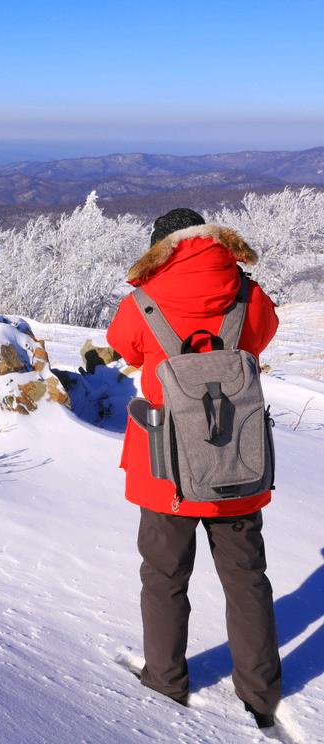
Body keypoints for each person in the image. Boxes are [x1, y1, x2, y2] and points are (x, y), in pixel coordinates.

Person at [107, 207, 282, 729]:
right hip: (237, 460)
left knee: (163, 576)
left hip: (165, 468)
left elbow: (124, 347)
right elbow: (260, 337)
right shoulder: (247, 294)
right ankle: (260, 690)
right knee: (247, 577)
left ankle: (165, 680)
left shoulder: (142, 301)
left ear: (160, 248)